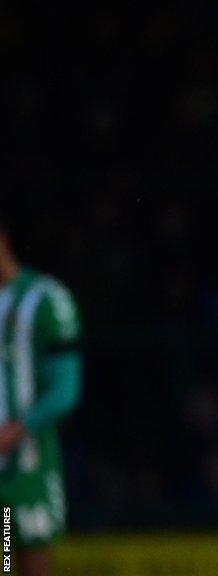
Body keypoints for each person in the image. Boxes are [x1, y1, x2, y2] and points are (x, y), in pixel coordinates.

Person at [0, 215, 83, 576]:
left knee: (31, 566)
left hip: (26, 470)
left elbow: (66, 388)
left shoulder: (45, 299)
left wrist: (18, 429)